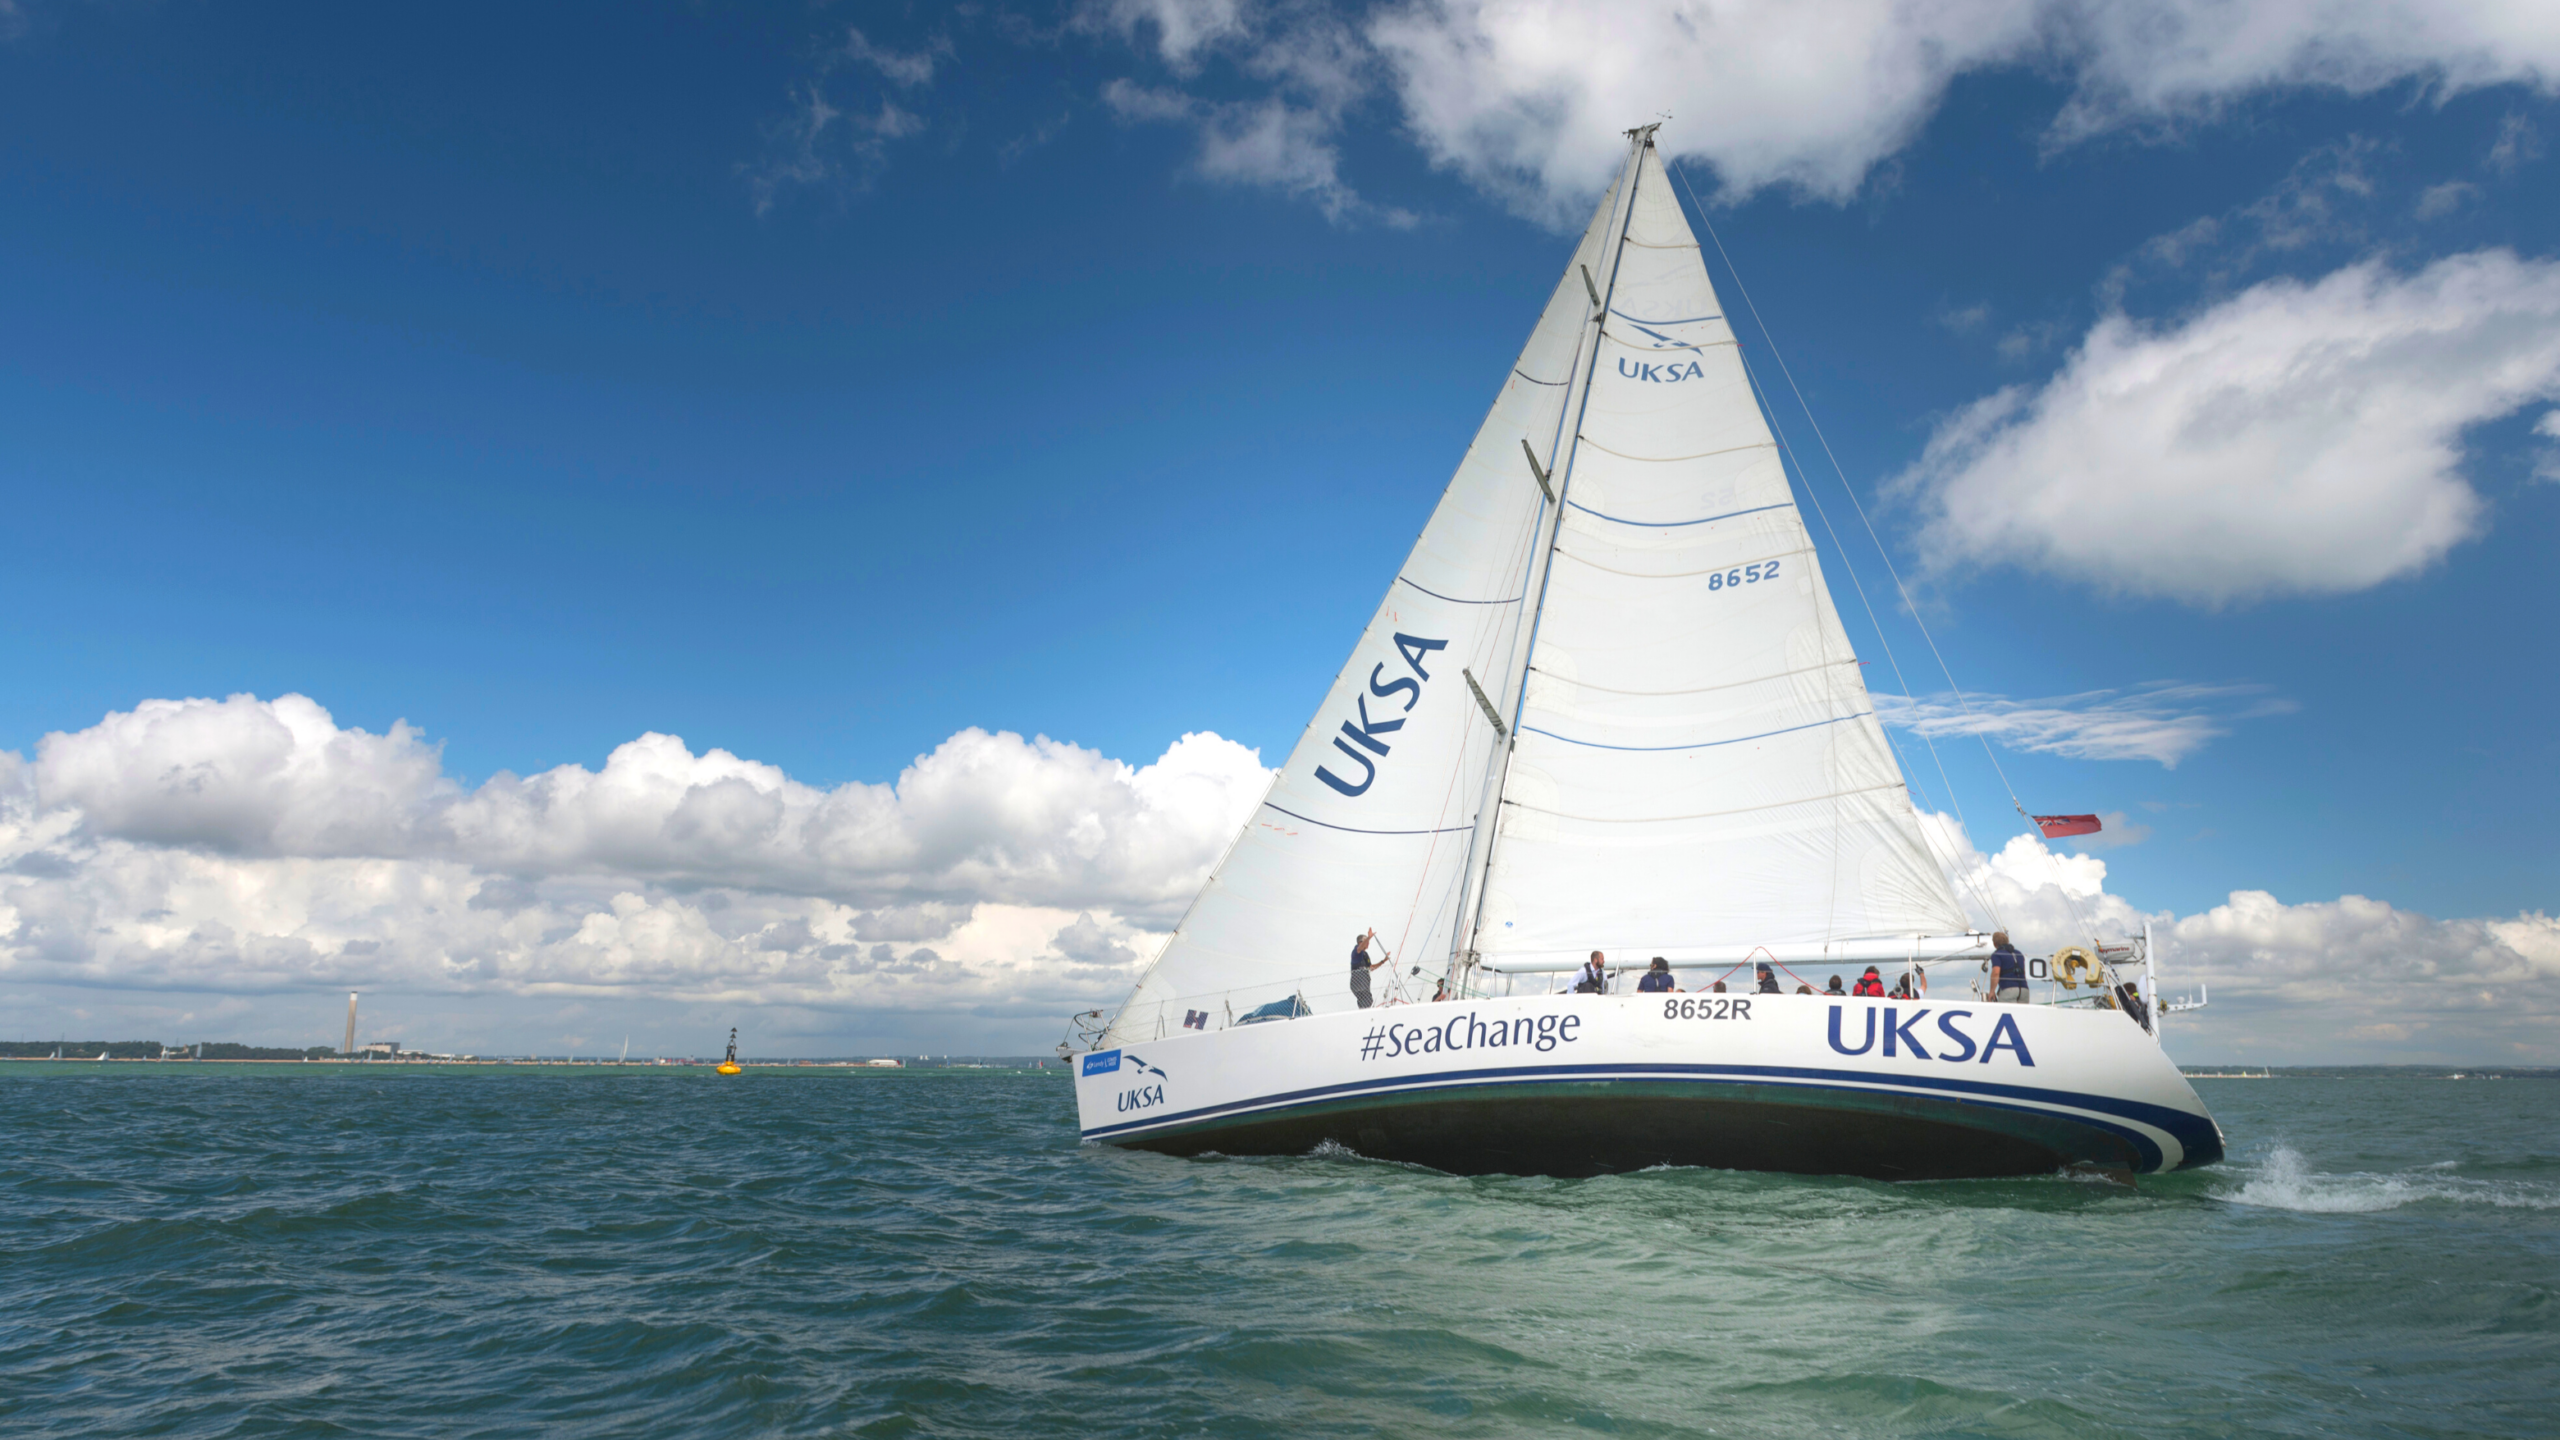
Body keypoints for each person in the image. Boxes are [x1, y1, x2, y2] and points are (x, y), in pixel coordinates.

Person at [1349, 929, 1388, 1009]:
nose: (1368, 943)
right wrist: (1369, 937)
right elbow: (1359, 948)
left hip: (1363, 982)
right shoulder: (1356, 951)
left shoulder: (1365, 954)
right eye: (1366, 941)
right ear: (1360, 942)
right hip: (1359, 981)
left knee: (1366, 1000)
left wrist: (1383, 961)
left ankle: (1363, 1012)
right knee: (1367, 1000)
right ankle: (1365, 1013)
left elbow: (1371, 968)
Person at [1988, 931, 2029, 1004]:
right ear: (2007, 941)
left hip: (2008, 989)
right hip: (2024, 989)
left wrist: (1992, 991)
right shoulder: (2019, 953)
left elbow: (1996, 973)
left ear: (1994, 944)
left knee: (2006, 1010)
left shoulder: (1997, 955)